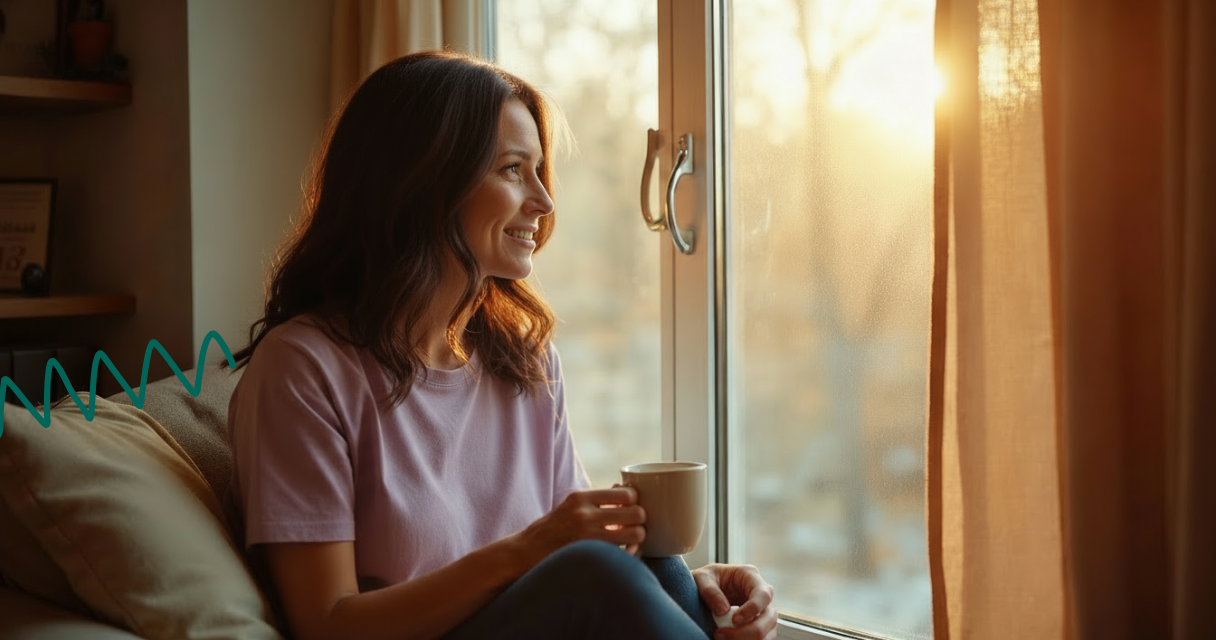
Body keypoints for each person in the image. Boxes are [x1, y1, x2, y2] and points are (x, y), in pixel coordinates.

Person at [226, 50, 778, 640]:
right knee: (598, 570)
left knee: (661, 562)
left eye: (540, 171)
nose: (543, 202)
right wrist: (529, 548)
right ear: (423, 182)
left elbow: (587, 552)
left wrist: (701, 589)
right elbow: (326, 624)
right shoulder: (303, 369)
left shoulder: (524, 358)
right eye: (514, 169)